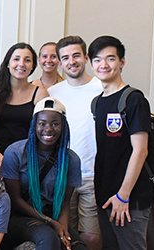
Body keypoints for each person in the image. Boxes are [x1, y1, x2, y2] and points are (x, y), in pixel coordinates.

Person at [0, 97, 86, 250]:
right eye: (42, 123)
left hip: (53, 215)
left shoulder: (71, 159)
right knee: (48, 238)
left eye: (55, 124)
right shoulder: (15, 152)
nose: (49, 129)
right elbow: (15, 199)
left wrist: (63, 229)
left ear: (63, 127)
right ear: (34, 125)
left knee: (77, 247)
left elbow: (65, 202)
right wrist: (52, 224)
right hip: (20, 217)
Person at [90, 35, 152, 250]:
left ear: (122, 62)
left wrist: (123, 195)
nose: (103, 65)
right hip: (105, 194)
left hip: (128, 198)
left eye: (110, 59)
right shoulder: (97, 102)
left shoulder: (133, 99)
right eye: (97, 60)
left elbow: (140, 150)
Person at [48, 35, 103, 249]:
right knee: (64, 236)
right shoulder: (53, 94)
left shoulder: (102, 88)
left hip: (93, 175)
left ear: (86, 57)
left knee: (92, 237)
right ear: (60, 63)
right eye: (66, 57)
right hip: (62, 175)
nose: (72, 61)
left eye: (76, 55)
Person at [0, 43, 50, 163]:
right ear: (8, 63)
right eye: (16, 59)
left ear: (33, 66)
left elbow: (41, 135)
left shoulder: (40, 94)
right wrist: (3, 161)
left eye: (27, 60)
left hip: (26, 162)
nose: (21, 64)